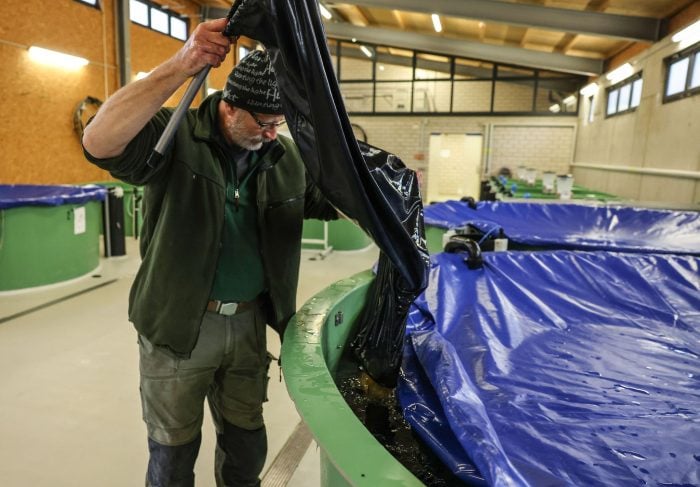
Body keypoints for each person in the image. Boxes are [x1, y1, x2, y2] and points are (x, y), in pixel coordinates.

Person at [82, 18, 336, 487]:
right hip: (178, 327)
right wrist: (183, 63)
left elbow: (333, 199)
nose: (270, 132)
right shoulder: (176, 135)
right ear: (229, 107)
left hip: (247, 326)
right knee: (173, 453)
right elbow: (98, 141)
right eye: (264, 122)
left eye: (279, 123)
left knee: (246, 443)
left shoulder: (283, 159)